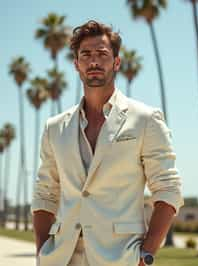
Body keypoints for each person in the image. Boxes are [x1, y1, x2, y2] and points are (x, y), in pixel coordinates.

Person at [31, 20, 184, 266]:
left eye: (102, 54)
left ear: (116, 62)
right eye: (86, 55)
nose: (93, 61)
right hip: (61, 257)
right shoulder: (54, 127)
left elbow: (168, 189)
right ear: (76, 64)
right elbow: (45, 194)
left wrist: (146, 255)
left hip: (120, 257)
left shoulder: (145, 119)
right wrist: (42, 252)